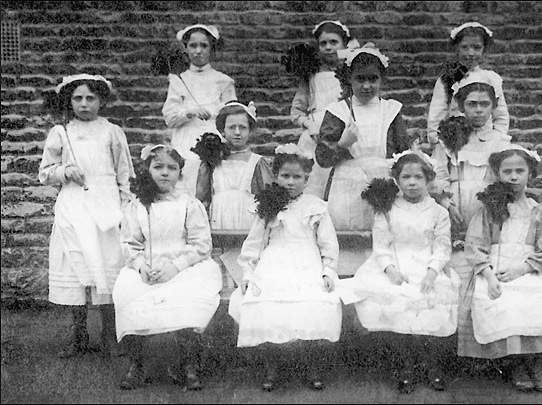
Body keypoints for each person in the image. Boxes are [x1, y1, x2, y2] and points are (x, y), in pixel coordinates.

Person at [340, 151, 460, 393]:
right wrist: (390, 269)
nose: (412, 183)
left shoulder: (439, 212)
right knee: (396, 302)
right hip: (394, 263)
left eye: (418, 177)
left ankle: (429, 364)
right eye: (406, 177)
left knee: (431, 303)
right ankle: (404, 365)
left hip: (426, 265)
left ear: (429, 180)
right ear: (397, 179)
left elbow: (442, 246)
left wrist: (432, 272)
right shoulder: (387, 208)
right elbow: (381, 243)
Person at [229, 144, 342, 392]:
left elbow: (328, 244)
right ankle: (272, 363)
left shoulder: (316, 206)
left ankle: (311, 364)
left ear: (306, 178)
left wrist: (328, 272)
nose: (290, 182)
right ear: (276, 176)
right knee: (268, 300)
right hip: (275, 261)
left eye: (297, 177)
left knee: (312, 302)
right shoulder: (268, 204)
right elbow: (255, 244)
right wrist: (248, 273)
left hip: (306, 261)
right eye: (285, 176)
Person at [458, 145, 542, 393]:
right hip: (493, 271)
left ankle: (535, 362)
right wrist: (489, 276)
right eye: (507, 171)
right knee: (502, 303)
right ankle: (515, 363)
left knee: (538, 301)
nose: (513, 177)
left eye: (520, 170)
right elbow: (476, 246)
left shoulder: (537, 212)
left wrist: (522, 269)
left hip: (527, 269)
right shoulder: (489, 210)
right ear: (498, 174)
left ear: (530, 173)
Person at [39, 73, 134, 358]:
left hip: (105, 202)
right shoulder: (61, 132)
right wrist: (63, 171)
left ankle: (109, 334)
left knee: (108, 264)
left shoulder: (112, 132)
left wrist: (127, 207)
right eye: (78, 98)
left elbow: (124, 172)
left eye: (90, 98)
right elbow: (45, 172)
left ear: (101, 101)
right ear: (69, 101)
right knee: (74, 262)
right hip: (74, 203)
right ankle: (78, 334)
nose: (84, 104)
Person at [114, 145, 222, 391]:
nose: (165, 173)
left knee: (189, 295)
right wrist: (140, 266)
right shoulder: (137, 205)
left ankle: (187, 363)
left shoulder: (189, 204)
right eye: (158, 167)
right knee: (127, 292)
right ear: (147, 170)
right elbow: (129, 243)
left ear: (180, 174)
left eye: (172, 168)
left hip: (184, 265)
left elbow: (201, 244)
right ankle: (137, 363)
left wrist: (176, 267)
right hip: (148, 267)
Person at [315, 44, 416, 231]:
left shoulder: (390, 110)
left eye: (373, 79)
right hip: (347, 181)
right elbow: (322, 157)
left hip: (384, 181)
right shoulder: (338, 111)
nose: (367, 86)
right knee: (349, 228)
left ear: (381, 80)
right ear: (349, 80)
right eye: (360, 79)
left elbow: (402, 150)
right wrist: (342, 144)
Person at [432, 75, 512, 241]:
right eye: (472, 104)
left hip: (488, 209)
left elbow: (507, 180)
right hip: (453, 210)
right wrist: (446, 204)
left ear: (493, 106)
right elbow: (437, 175)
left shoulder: (500, 142)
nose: (478, 110)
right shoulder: (449, 139)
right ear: (461, 106)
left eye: (484, 104)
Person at [162, 24, 237, 197]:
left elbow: (233, 118)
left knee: (213, 189)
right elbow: (170, 117)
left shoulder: (223, 81)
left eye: (204, 46)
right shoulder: (179, 80)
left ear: (211, 49)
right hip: (185, 141)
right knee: (185, 188)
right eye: (193, 46)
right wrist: (190, 112)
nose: (198, 51)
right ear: (186, 49)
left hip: (214, 142)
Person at [426, 22, 509, 151]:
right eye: (465, 47)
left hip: (487, 144)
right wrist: (439, 145)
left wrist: (497, 140)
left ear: (484, 49)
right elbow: (436, 115)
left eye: (477, 48)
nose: (470, 53)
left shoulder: (492, 79)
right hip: (456, 145)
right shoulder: (448, 79)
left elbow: (501, 116)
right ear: (457, 48)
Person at [194, 100, 273, 231]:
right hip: (219, 219)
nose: (237, 132)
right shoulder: (212, 161)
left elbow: (268, 199)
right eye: (232, 127)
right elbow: (202, 199)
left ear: (250, 130)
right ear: (222, 130)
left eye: (242, 127)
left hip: (248, 221)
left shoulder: (257, 162)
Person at [289, 20, 359, 155]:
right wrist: (310, 125)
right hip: (315, 134)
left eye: (334, 42)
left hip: (344, 134)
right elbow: (296, 112)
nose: (328, 47)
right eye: (323, 43)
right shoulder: (311, 76)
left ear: (344, 44)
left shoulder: (352, 74)